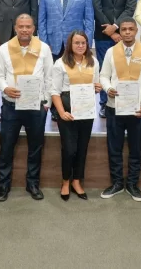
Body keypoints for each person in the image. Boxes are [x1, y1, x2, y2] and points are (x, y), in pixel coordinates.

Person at [0, 14, 53, 202]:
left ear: (34, 28)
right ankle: (3, 185)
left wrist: (47, 104)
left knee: (35, 147)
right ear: (15, 28)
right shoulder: (4, 49)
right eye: (21, 26)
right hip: (11, 106)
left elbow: (49, 77)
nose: (25, 30)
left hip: (36, 107)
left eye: (28, 26)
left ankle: (32, 184)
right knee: (6, 146)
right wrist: (5, 88)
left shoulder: (43, 48)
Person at [99, 17, 141, 202]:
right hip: (114, 107)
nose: (128, 32)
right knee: (114, 147)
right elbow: (103, 76)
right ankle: (116, 183)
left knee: (135, 148)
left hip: (138, 110)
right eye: (124, 29)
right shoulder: (110, 52)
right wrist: (108, 89)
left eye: (131, 29)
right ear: (120, 32)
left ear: (136, 30)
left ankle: (132, 183)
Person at [51, 30, 102, 201]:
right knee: (69, 148)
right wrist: (61, 112)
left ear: (87, 45)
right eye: (76, 43)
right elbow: (55, 91)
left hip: (86, 110)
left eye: (83, 43)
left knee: (82, 147)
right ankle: (65, 181)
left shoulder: (93, 62)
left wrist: (97, 88)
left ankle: (77, 181)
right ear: (69, 45)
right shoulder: (60, 64)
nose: (80, 46)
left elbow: (95, 84)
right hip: (66, 110)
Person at [91, 0, 137, 117]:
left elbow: (130, 7)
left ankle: (126, 101)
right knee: (105, 69)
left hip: (124, 34)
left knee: (124, 67)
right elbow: (97, 8)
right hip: (103, 34)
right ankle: (104, 104)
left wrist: (117, 27)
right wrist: (110, 31)